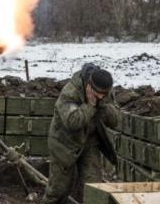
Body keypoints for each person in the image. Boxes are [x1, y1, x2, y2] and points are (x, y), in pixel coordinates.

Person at [43, 63, 120, 204]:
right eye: (98, 94)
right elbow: (73, 122)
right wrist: (90, 106)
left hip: (90, 141)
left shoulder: (105, 92)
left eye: (104, 95)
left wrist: (102, 105)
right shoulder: (70, 92)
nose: (101, 97)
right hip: (64, 143)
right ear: (89, 86)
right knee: (59, 190)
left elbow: (115, 120)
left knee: (93, 188)